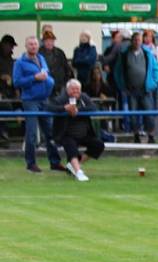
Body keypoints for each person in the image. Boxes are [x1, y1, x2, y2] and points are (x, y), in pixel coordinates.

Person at [12, 36, 64, 173]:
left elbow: (46, 74)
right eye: (30, 44)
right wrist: (34, 78)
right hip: (30, 100)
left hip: (44, 99)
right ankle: (31, 164)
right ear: (26, 46)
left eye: (35, 44)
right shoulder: (20, 62)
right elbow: (16, 82)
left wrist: (49, 81)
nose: (33, 46)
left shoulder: (41, 58)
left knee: (50, 132)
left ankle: (55, 162)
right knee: (31, 133)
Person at [46, 79, 104, 182]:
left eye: (78, 89)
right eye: (73, 89)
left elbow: (94, 107)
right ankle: (78, 172)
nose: (75, 91)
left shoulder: (84, 98)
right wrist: (65, 108)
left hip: (84, 134)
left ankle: (75, 166)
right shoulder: (61, 98)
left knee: (98, 145)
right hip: (66, 134)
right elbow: (49, 107)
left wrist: (78, 111)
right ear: (67, 89)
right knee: (71, 148)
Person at [115, 31, 158, 144]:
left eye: (139, 40)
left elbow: (155, 69)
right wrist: (122, 86)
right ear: (131, 41)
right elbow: (118, 72)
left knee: (149, 114)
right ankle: (136, 135)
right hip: (131, 90)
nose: (137, 42)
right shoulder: (124, 55)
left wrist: (154, 83)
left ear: (141, 41)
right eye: (135, 40)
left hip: (145, 89)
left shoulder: (147, 54)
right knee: (133, 115)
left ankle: (150, 135)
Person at [39, 30, 72, 96]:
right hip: (44, 85)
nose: (49, 43)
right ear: (43, 42)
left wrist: (65, 83)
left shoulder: (60, 53)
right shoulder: (39, 53)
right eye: (47, 41)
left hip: (59, 85)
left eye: (51, 41)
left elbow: (67, 69)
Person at [142, 29, 158, 105]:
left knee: (154, 95)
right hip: (144, 75)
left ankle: (153, 112)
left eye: (150, 37)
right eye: (146, 37)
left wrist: (154, 57)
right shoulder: (141, 48)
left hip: (154, 75)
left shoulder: (157, 48)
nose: (148, 39)